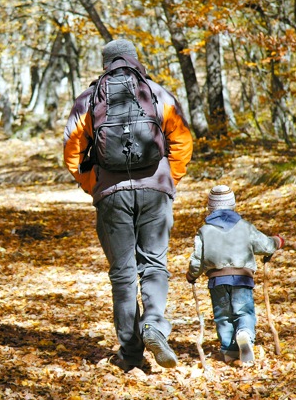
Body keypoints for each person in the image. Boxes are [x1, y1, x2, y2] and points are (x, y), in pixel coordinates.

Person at [63, 39, 193, 371]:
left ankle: (131, 354)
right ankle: (153, 324)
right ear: (136, 60)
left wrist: (94, 185)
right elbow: (181, 140)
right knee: (154, 265)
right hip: (155, 191)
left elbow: (72, 149)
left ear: (105, 64)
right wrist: (168, 179)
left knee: (122, 275)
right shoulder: (156, 93)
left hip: (111, 194)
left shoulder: (90, 98)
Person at [185, 185, 285, 364]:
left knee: (223, 316)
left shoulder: (204, 231)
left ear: (210, 207)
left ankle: (229, 351)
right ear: (232, 205)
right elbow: (265, 245)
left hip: (217, 280)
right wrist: (277, 241)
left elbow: (197, 259)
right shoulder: (245, 227)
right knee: (243, 311)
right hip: (242, 278)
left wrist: (191, 275)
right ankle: (245, 333)